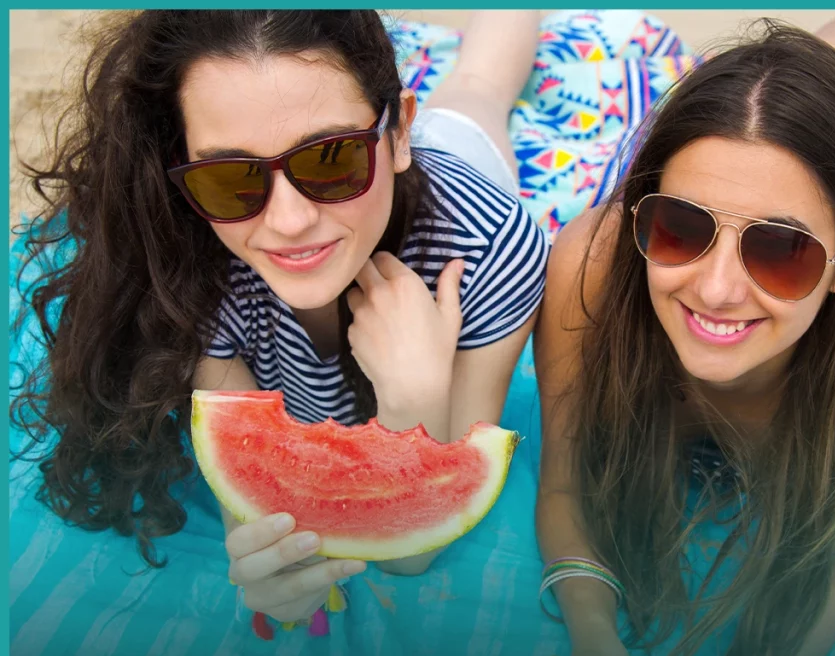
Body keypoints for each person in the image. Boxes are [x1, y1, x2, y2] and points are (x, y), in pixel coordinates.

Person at [12, 10, 548, 623]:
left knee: (479, 92)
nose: (289, 222)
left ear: (399, 132)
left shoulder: (494, 248)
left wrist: (416, 392)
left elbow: (411, 556)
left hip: (450, 174)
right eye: (228, 177)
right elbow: (266, 518)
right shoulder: (188, 267)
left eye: (331, 158)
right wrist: (277, 562)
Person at [533, 10, 835, 656]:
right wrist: (594, 636)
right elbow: (563, 485)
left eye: (782, 250)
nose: (717, 290)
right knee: (774, 110)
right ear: (641, 212)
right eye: (680, 228)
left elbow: (832, 570)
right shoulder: (592, 262)